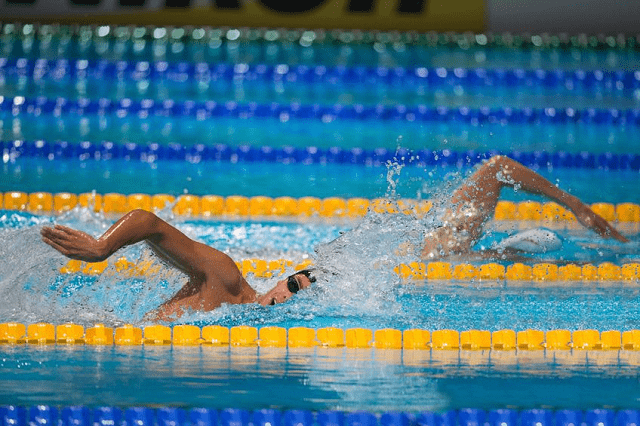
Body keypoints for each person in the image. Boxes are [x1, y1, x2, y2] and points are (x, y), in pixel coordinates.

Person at [41, 155, 628, 321]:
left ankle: (547, 232)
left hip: (430, 256)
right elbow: (147, 220)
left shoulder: (223, 285)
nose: (290, 296)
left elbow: (148, 220)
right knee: (488, 247)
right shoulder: (231, 292)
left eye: (295, 292)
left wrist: (99, 250)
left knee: (483, 202)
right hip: (426, 257)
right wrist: (100, 250)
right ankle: (513, 249)